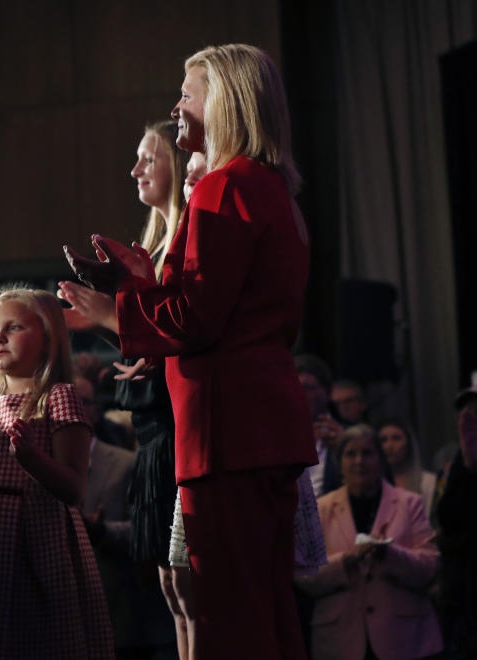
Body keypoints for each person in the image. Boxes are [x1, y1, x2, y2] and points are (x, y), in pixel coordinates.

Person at [64, 44, 317, 658]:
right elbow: (232, 312)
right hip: (257, 429)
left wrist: (110, 313)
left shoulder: (224, 187)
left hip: (226, 433)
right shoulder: (267, 187)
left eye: (188, 91)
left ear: (225, 102)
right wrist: (143, 287)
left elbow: (198, 318)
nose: (175, 104)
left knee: (230, 621)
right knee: (267, 615)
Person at [58, 121, 194, 660]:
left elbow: (184, 330)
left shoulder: (184, 245)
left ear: (177, 167)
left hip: (180, 431)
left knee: (189, 589)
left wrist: (110, 317)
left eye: (148, 158)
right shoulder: (157, 246)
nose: (135, 169)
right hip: (155, 430)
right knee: (173, 587)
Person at [0, 287, 114, 659]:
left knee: (32, 638)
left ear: (46, 339)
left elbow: (74, 488)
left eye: (14, 327)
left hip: (33, 536)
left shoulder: (56, 397)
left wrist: (33, 460)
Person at [296, 424, 442, 660]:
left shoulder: (409, 503)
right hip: (341, 640)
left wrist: (390, 554)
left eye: (367, 453)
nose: (359, 461)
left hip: (403, 638)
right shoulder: (321, 509)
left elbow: (429, 567)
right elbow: (304, 575)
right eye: (350, 454)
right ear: (340, 462)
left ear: (381, 460)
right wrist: (347, 559)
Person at [78, 376, 176, 660]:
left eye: (79, 403)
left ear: (95, 409)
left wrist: (101, 530)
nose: (67, 411)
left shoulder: (126, 462)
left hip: (121, 615)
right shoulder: (37, 462)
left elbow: (148, 532)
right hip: (60, 612)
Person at [435, 384, 477, 655]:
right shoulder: (458, 463)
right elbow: (449, 521)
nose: (467, 417)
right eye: (465, 412)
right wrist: (469, 463)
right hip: (466, 603)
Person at [296, 353, 344, 497]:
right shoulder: (278, 438)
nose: (298, 394)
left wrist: (343, 448)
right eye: (293, 388)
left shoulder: (348, 436)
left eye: (306, 388)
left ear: (328, 392)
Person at [378, 418, 438, 517]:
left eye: (396, 438)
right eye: (383, 440)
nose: (389, 445)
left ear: (408, 443)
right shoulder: (372, 483)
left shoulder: (428, 482)